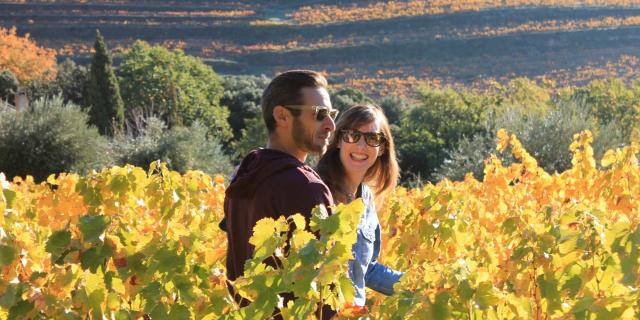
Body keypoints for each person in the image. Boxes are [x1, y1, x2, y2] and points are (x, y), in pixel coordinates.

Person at [220, 70, 339, 317]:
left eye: (331, 114)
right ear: (282, 116)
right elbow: (324, 285)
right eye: (320, 115)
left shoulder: (247, 173)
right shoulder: (304, 186)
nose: (331, 125)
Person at [317, 104, 403, 307]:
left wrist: (418, 285)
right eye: (352, 135)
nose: (361, 146)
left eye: (372, 139)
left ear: (382, 148)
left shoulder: (367, 199)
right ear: (338, 140)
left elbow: (367, 270)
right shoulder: (315, 191)